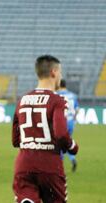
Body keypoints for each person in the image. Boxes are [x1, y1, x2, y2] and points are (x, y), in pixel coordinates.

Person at [12, 55, 79, 203]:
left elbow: (15, 140)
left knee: (26, 195)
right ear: (54, 72)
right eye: (60, 72)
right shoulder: (57, 101)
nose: (60, 76)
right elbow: (61, 134)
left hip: (24, 162)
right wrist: (73, 146)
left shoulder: (22, 100)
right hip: (49, 163)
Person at [57, 79, 79, 172]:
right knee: (68, 142)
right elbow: (77, 109)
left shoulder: (56, 95)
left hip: (60, 122)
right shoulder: (73, 96)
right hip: (70, 122)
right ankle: (72, 159)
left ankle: (60, 167)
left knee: (59, 143)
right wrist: (74, 119)